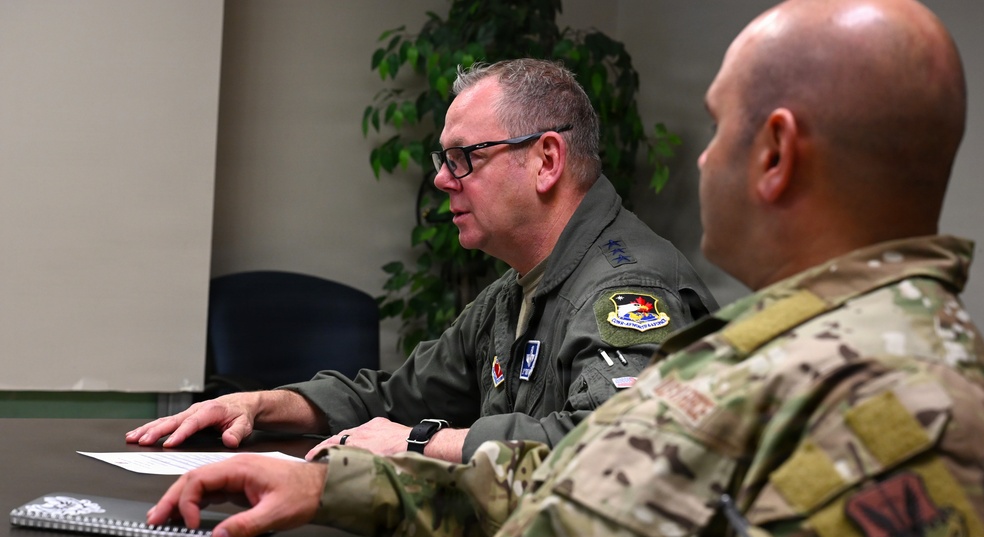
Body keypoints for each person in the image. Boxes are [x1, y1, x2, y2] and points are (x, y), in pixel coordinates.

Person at [149, 0, 984, 537]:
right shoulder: (804, 350)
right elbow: (602, 485)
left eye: (716, 127)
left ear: (774, 152)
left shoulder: (887, 399)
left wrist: (407, 446)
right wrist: (320, 465)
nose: (700, 161)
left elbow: (587, 464)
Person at [125, 58, 716, 465]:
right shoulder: (520, 289)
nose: (441, 179)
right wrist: (261, 404)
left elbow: (616, 441)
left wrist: (418, 442)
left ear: (546, 160)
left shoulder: (627, 290)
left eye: (464, 157)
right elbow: (398, 397)